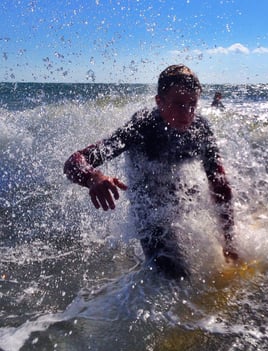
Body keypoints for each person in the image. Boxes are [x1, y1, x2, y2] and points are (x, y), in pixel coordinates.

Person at [64, 64, 238, 279]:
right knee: (174, 277)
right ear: (159, 101)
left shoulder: (200, 129)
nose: (186, 113)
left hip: (180, 196)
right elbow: (74, 162)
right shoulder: (142, 126)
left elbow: (219, 185)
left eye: (192, 104)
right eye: (178, 104)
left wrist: (229, 241)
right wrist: (93, 177)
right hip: (148, 207)